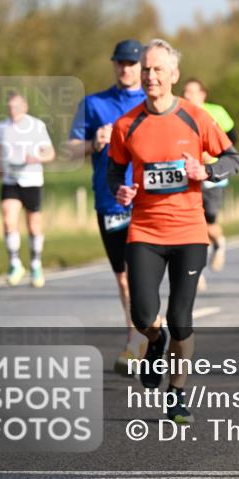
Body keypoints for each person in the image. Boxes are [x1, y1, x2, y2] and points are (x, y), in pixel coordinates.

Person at [106, 39, 239, 424]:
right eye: (146, 69)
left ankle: (178, 392)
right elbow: (114, 169)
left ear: (174, 75)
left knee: (181, 317)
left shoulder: (196, 118)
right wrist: (121, 188)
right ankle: (155, 343)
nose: (150, 75)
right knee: (145, 314)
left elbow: (234, 159)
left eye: (158, 69)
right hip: (145, 231)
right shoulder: (126, 124)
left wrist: (207, 171)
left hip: (189, 231)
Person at [68, 39, 148, 372]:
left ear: (141, 66)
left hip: (149, 200)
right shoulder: (93, 103)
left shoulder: (153, 103)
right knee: (125, 278)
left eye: (131, 63)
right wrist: (93, 143)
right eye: (120, 62)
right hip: (110, 201)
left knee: (146, 273)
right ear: (113, 64)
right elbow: (69, 148)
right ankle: (137, 340)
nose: (125, 68)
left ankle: (146, 336)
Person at [0, 92, 55, 289]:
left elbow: (50, 152)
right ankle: (15, 264)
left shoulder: (36, 126)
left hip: (32, 180)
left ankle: (36, 265)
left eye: (17, 107)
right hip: (10, 179)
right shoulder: (1, 127)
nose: (13, 111)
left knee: (33, 225)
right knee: (8, 218)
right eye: (10, 107)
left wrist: (36, 158)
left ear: (25, 107)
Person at [182, 79, 237, 287]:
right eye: (185, 92)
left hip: (212, 175)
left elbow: (232, 143)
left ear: (203, 94)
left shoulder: (216, 112)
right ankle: (196, 272)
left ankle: (219, 244)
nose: (188, 96)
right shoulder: (179, 113)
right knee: (194, 222)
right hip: (189, 175)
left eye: (192, 92)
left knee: (209, 221)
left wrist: (212, 157)